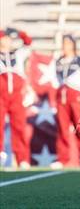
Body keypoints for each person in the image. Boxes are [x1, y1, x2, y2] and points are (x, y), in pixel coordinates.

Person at [51, 35, 80, 169]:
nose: (65, 46)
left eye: (68, 43)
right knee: (62, 129)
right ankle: (62, 159)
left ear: (73, 45)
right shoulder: (59, 62)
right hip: (62, 98)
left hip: (77, 97)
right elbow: (56, 82)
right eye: (64, 44)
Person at [0, 28, 32, 169]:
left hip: (16, 96)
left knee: (19, 127)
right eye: (3, 38)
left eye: (8, 38)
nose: (6, 40)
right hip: (1, 96)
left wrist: (20, 32)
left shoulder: (18, 54)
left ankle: (22, 159)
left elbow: (28, 43)